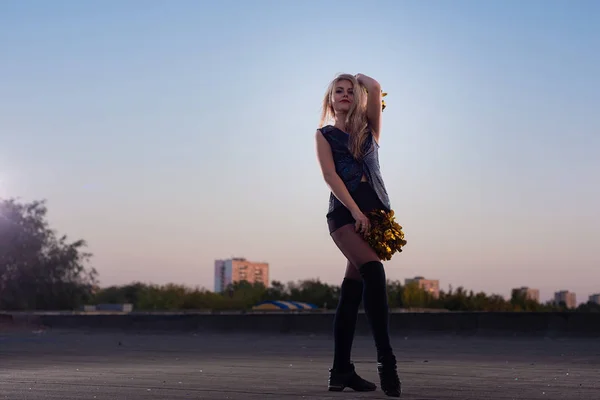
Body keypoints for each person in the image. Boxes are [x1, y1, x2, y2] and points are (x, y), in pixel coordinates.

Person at [315, 73, 401, 397]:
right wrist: (354, 211)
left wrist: (354, 76)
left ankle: (341, 371)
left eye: (351, 91)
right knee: (374, 273)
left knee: (352, 291)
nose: (345, 94)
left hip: (375, 218)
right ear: (330, 100)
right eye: (338, 91)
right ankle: (386, 361)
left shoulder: (369, 129)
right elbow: (329, 175)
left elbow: (375, 87)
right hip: (345, 217)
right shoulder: (324, 135)